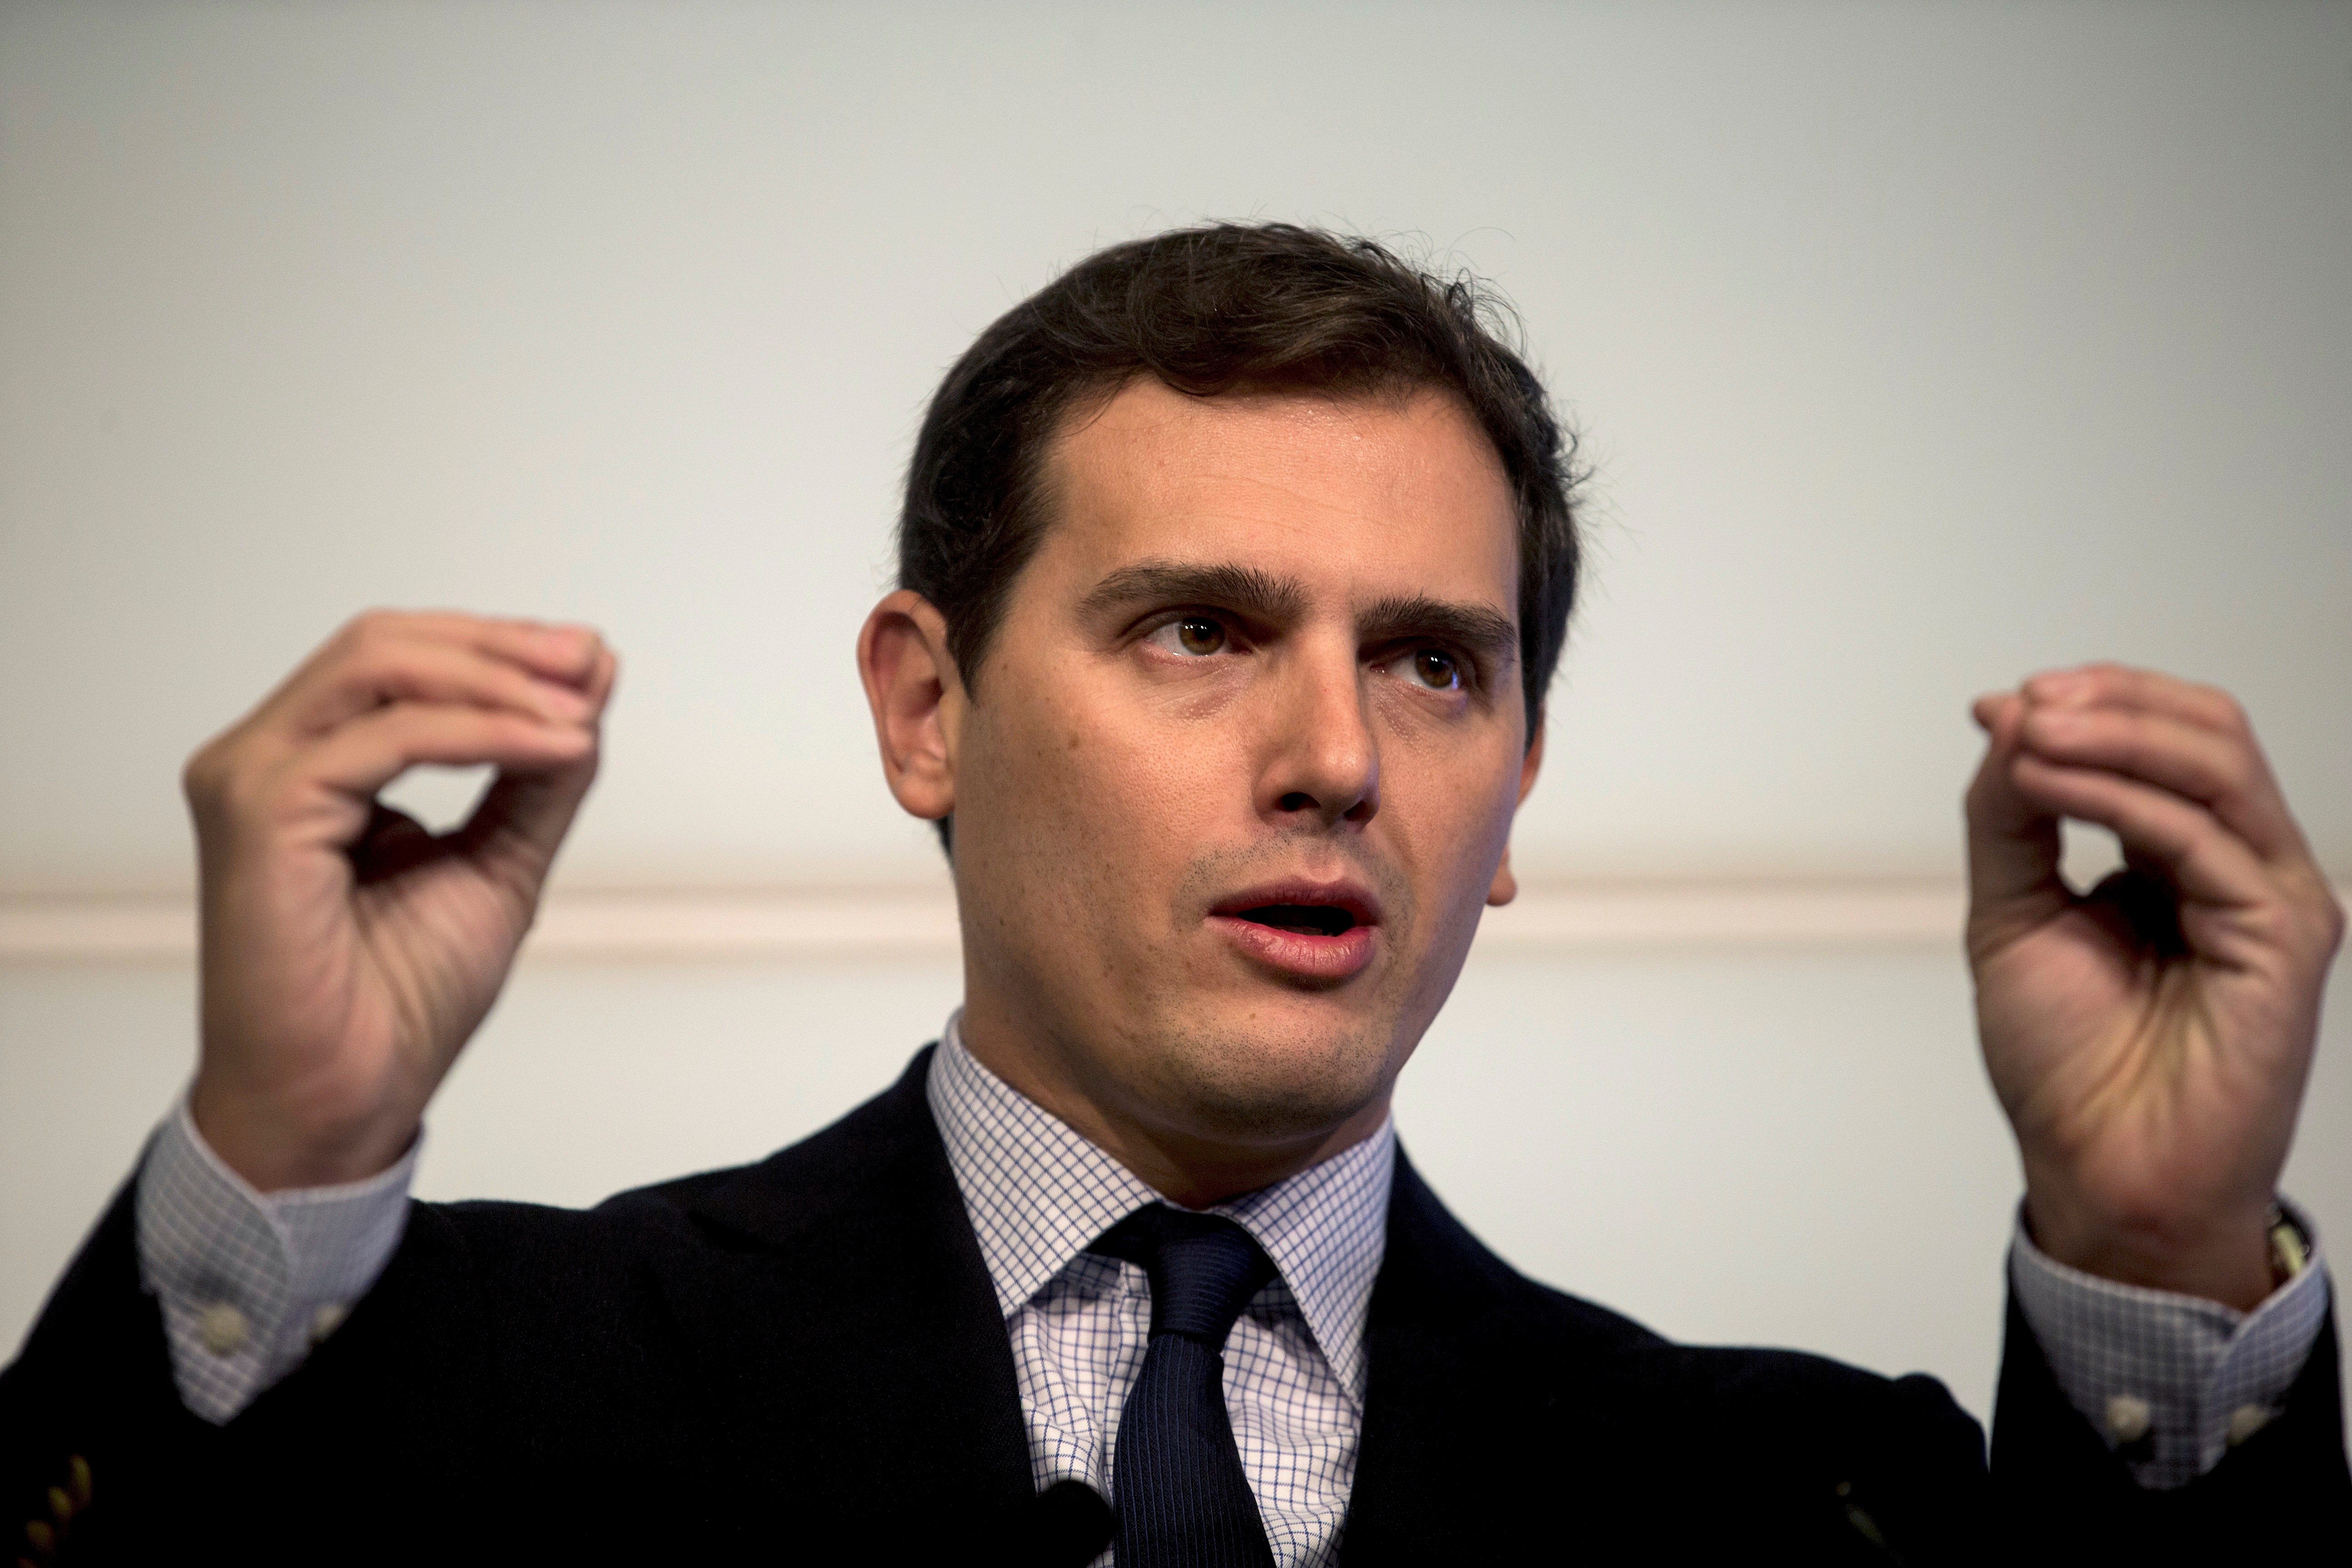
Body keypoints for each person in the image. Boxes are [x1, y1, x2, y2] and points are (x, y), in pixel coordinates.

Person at [4, 223, 2343, 1563]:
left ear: (1517, 786)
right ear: (926, 705)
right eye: (1200, 627)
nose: (1335, 754)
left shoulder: (1799, 1504)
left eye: (1432, 661)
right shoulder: (462, 1385)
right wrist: (282, 1140)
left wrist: (2153, 1254)